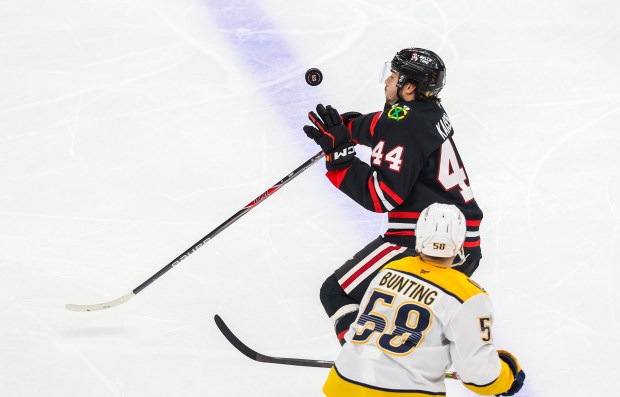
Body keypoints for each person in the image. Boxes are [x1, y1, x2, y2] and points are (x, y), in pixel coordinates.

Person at [303, 48, 484, 344]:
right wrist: (347, 129)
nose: (387, 79)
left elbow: (381, 197)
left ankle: (360, 358)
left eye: (394, 75)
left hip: (421, 241)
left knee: (338, 292)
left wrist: (339, 156)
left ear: (409, 87)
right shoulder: (426, 112)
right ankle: (408, 351)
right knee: (396, 309)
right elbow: (388, 125)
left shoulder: (403, 126)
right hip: (462, 243)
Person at [322, 203, 526, 396]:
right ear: (461, 243)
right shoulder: (469, 296)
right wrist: (509, 372)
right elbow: (480, 378)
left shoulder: (390, 269)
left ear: (418, 236)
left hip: (342, 385)